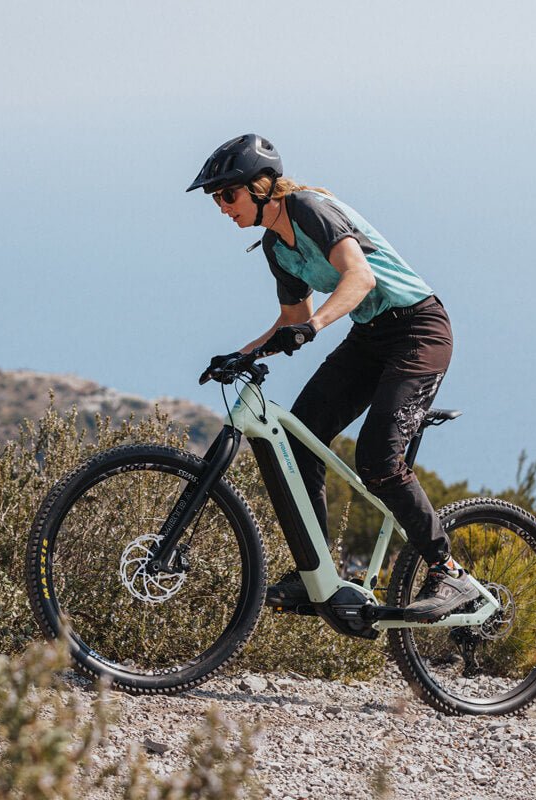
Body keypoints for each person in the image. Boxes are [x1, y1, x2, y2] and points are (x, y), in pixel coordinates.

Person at [187, 133, 476, 623]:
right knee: (298, 445)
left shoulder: (306, 207)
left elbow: (358, 277)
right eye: (216, 198)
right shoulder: (276, 247)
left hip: (418, 331)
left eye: (227, 195)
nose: (221, 207)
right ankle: (315, 574)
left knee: (378, 459)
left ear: (260, 187)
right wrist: (238, 355)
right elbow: (291, 318)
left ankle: (450, 574)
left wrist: (315, 326)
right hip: (369, 337)